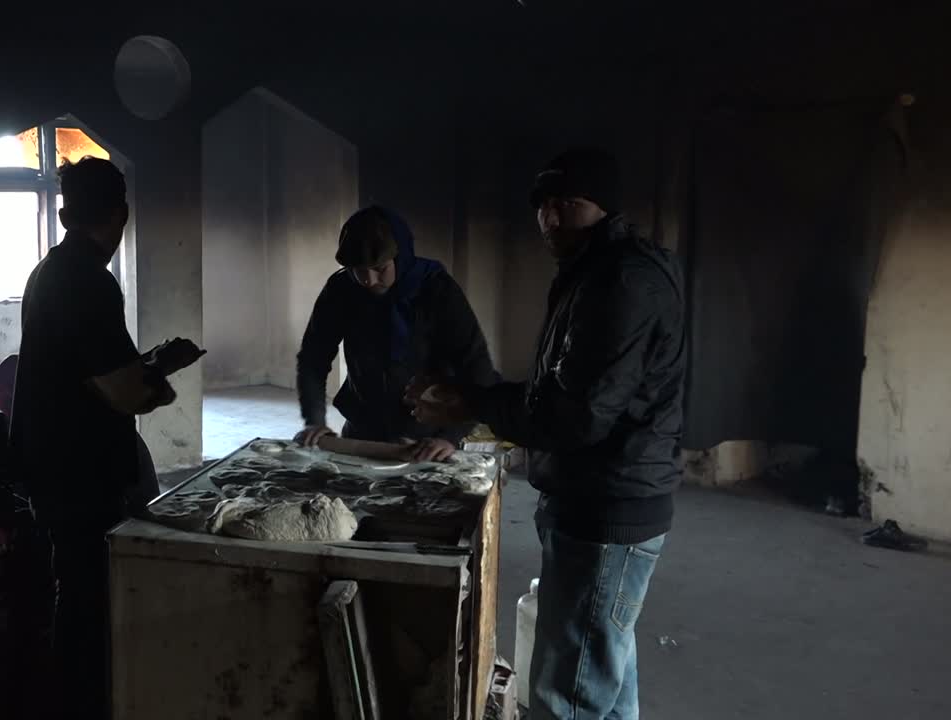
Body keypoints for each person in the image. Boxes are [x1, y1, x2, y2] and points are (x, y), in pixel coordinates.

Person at [411, 148, 686, 720]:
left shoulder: (620, 282)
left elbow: (575, 417)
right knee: (606, 673)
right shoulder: (596, 272)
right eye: (544, 205)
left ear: (601, 207)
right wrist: (481, 401)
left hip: (607, 507)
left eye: (570, 203)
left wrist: (474, 402)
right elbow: (558, 396)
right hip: (608, 499)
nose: (552, 218)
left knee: (569, 694)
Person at [9, 157, 203, 719]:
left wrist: (143, 366)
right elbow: (121, 391)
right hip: (80, 469)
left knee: (76, 586)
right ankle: (89, 700)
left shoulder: (49, 271)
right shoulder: (90, 281)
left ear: (67, 213)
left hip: (50, 461)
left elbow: (85, 367)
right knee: (92, 596)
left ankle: (75, 691)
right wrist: (158, 384)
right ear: (120, 214)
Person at [294, 206, 498, 462]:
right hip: (362, 425)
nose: (368, 280)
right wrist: (314, 420)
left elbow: (476, 366)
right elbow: (314, 357)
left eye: (379, 268)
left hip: (426, 435)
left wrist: (450, 436)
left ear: (400, 257)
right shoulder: (341, 289)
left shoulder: (436, 290)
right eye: (358, 269)